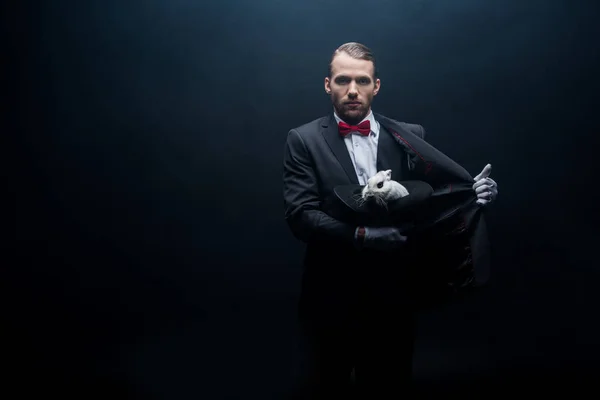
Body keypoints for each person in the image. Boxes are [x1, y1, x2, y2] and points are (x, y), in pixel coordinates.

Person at [282, 42, 498, 399]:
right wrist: (362, 235)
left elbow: (435, 199)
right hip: (330, 297)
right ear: (327, 84)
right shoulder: (302, 140)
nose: (353, 90)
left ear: (376, 86)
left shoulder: (410, 135)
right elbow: (300, 216)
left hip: (394, 297)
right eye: (342, 80)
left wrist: (475, 192)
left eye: (363, 81)